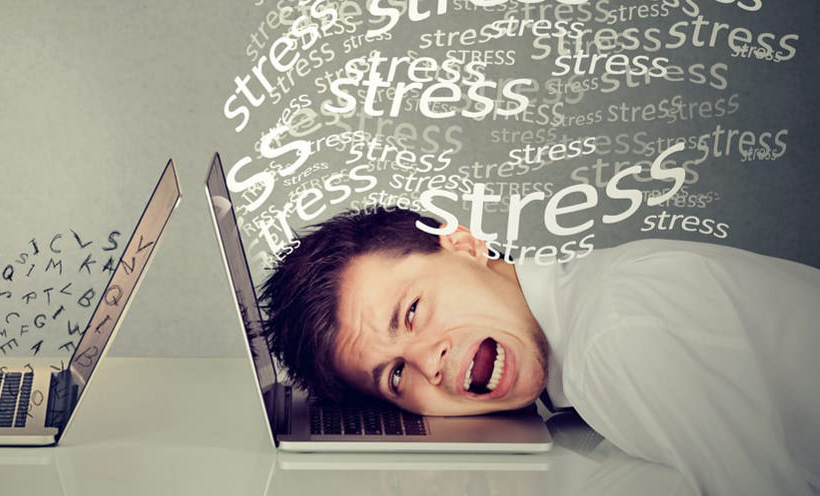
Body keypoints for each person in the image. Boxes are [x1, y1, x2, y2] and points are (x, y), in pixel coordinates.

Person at [259, 207, 820, 495]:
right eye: (395, 376)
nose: (430, 359)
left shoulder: (614, 339)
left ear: (465, 245)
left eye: (412, 312)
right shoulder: (583, 317)